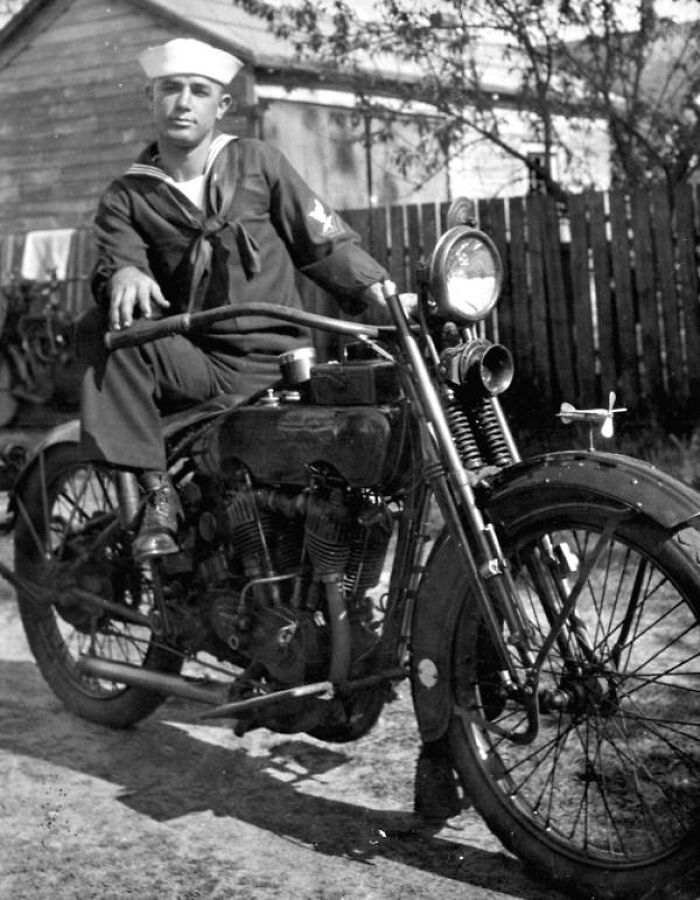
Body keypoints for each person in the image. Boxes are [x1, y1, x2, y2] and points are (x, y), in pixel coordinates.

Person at [78, 37, 389, 561]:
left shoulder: (257, 162)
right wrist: (127, 271)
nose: (183, 102)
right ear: (149, 101)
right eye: (170, 90)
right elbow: (117, 252)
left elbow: (322, 239)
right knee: (102, 328)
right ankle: (157, 490)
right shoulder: (127, 195)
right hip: (202, 366)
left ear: (220, 106)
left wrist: (381, 292)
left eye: (199, 91)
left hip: (287, 364)